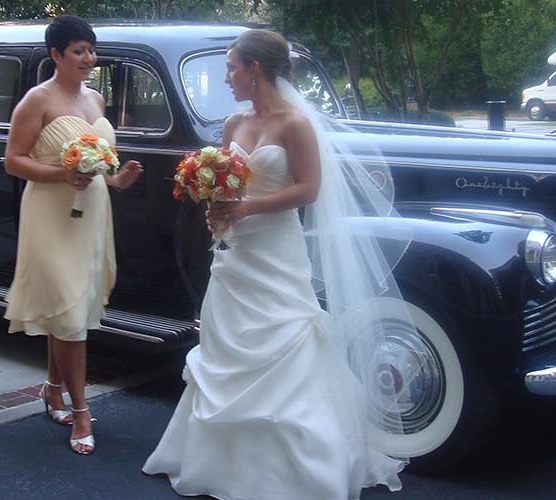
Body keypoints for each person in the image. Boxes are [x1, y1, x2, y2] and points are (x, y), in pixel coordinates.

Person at [141, 28, 407, 499]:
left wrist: (245, 208)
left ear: (254, 69)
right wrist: (216, 204)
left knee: (290, 343)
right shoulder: (232, 125)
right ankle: (221, 464)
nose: (227, 77)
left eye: (231, 67)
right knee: (226, 346)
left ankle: (300, 469)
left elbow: (308, 189)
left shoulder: (295, 124)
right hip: (235, 252)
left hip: (276, 252)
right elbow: (228, 181)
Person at [0, 15, 143, 456]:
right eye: (78, 50)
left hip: (92, 212)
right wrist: (61, 175)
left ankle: (53, 387)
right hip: (50, 212)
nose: (88, 58)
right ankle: (82, 411)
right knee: (66, 311)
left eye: (91, 50)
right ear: (56, 55)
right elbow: (13, 161)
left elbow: (100, 163)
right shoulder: (36, 101)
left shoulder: (96, 98)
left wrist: (117, 181)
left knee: (74, 306)